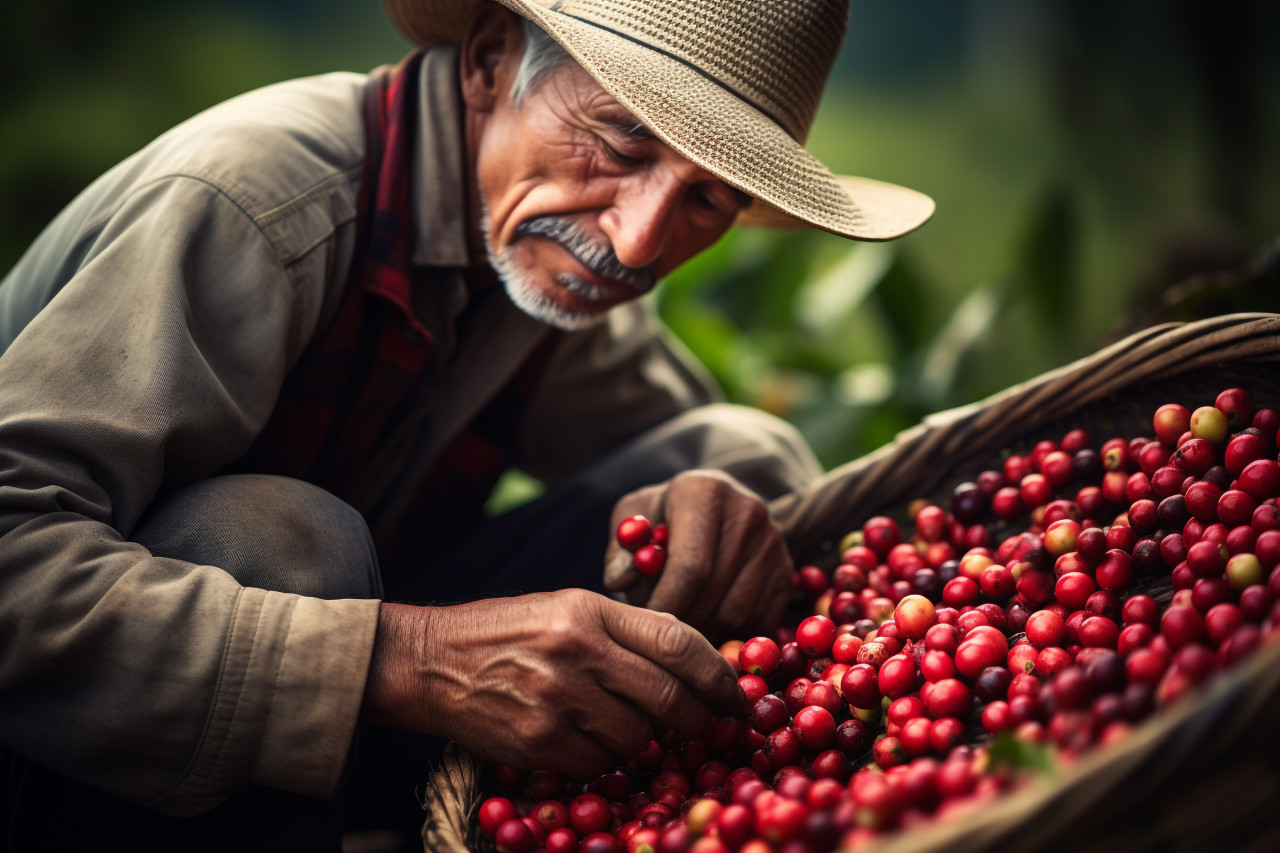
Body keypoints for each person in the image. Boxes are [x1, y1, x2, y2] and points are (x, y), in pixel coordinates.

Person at [0, 0, 932, 849]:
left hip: (319, 727)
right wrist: (411, 661)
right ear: (489, 62)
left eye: (707, 199)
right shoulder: (253, 209)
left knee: (742, 472)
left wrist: (711, 505)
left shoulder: (544, 244)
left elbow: (700, 449)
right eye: (619, 140)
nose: (640, 241)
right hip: (69, 752)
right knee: (280, 539)